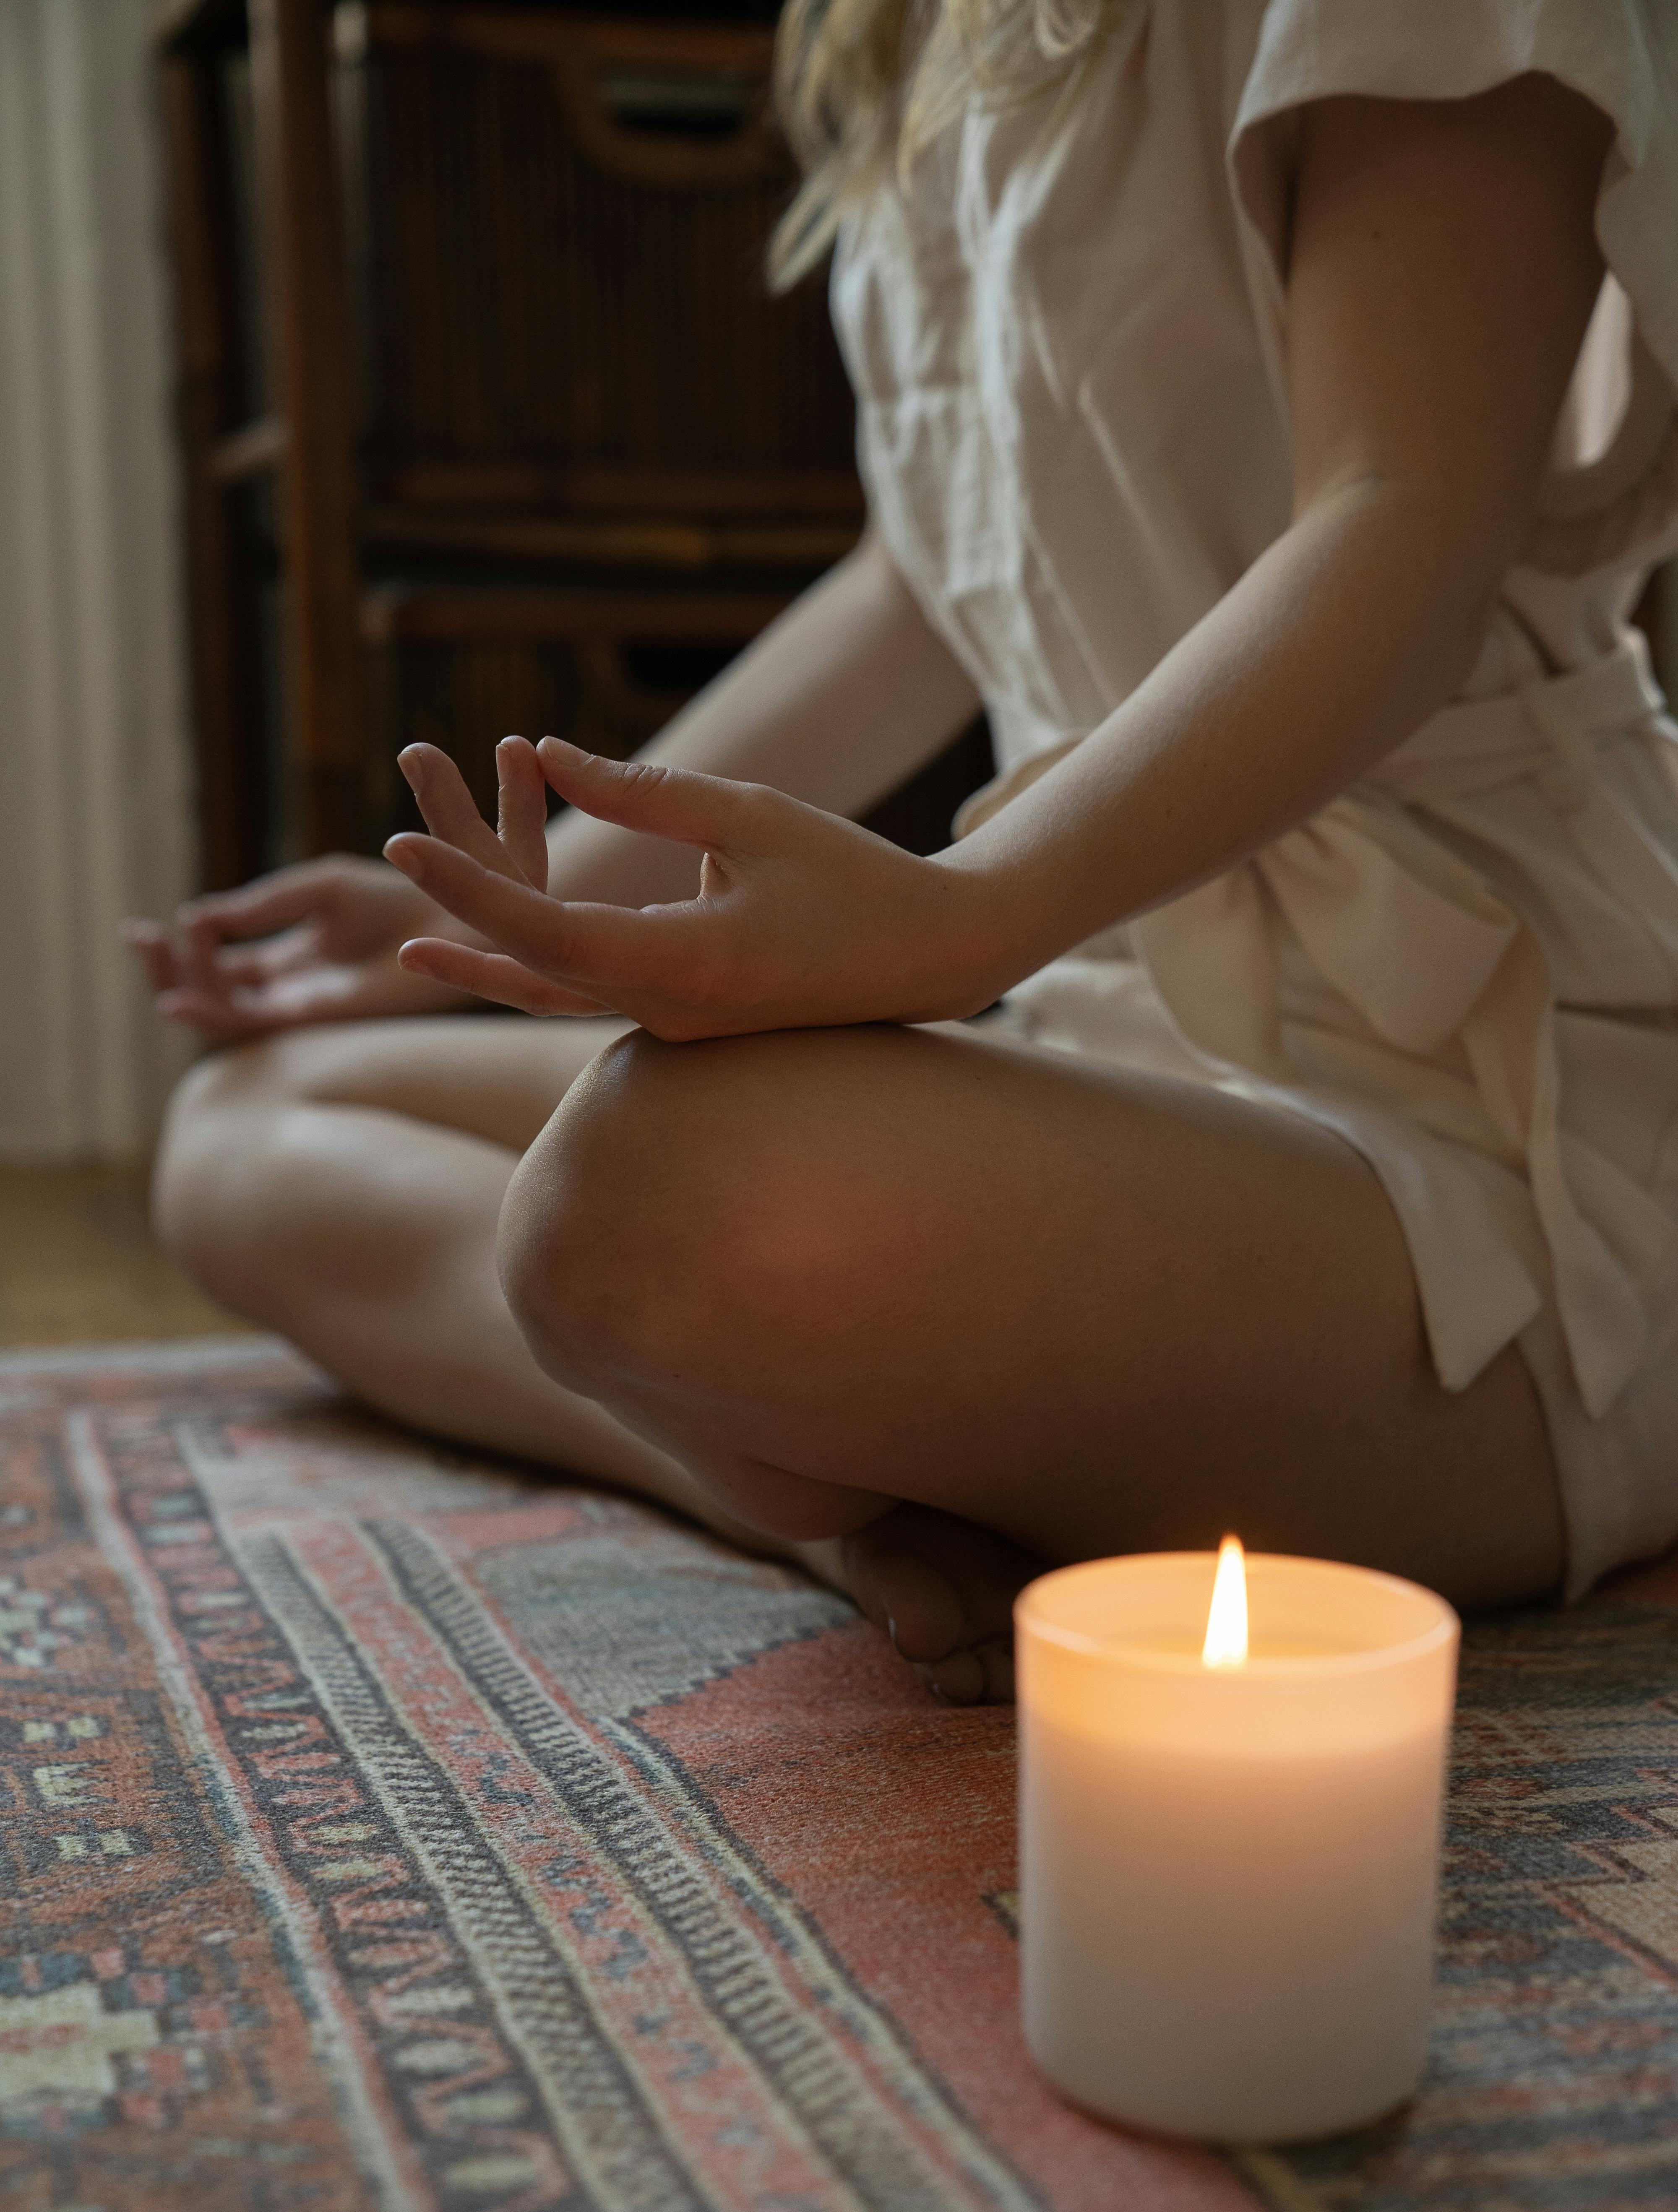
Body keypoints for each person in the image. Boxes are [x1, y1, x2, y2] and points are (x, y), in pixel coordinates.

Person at [132, 0, 1678, 1706]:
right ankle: (833, 1516)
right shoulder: (920, 29)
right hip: (1098, 1025)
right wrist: (530, 907)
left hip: (1474, 1094)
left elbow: (1404, 508)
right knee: (252, 1121)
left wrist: (967, 922)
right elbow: (924, 586)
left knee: (642, 1197)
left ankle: (825, 1437)